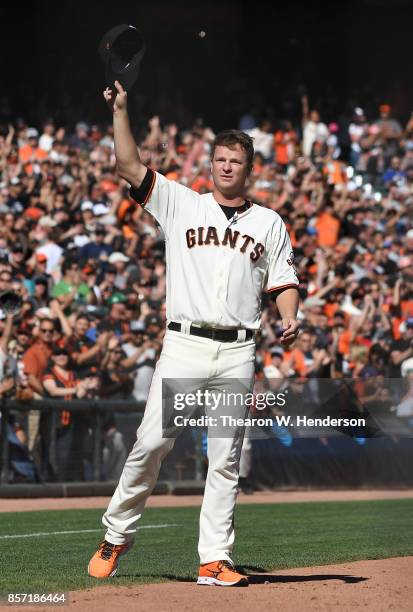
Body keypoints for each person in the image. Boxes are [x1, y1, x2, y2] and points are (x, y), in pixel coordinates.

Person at [86, 79, 300, 586]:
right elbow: (129, 167)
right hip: (184, 344)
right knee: (151, 445)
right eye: (221, 160)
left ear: (249, 168)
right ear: (212, 165)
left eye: (236, 161)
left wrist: (292, 315)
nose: (227, 167)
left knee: (225, 459)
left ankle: (214, 559)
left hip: (237, 352)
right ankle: (116, 533)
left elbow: (284, 281)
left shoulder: (269, 222)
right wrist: (121, 110)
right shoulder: (182, 204)